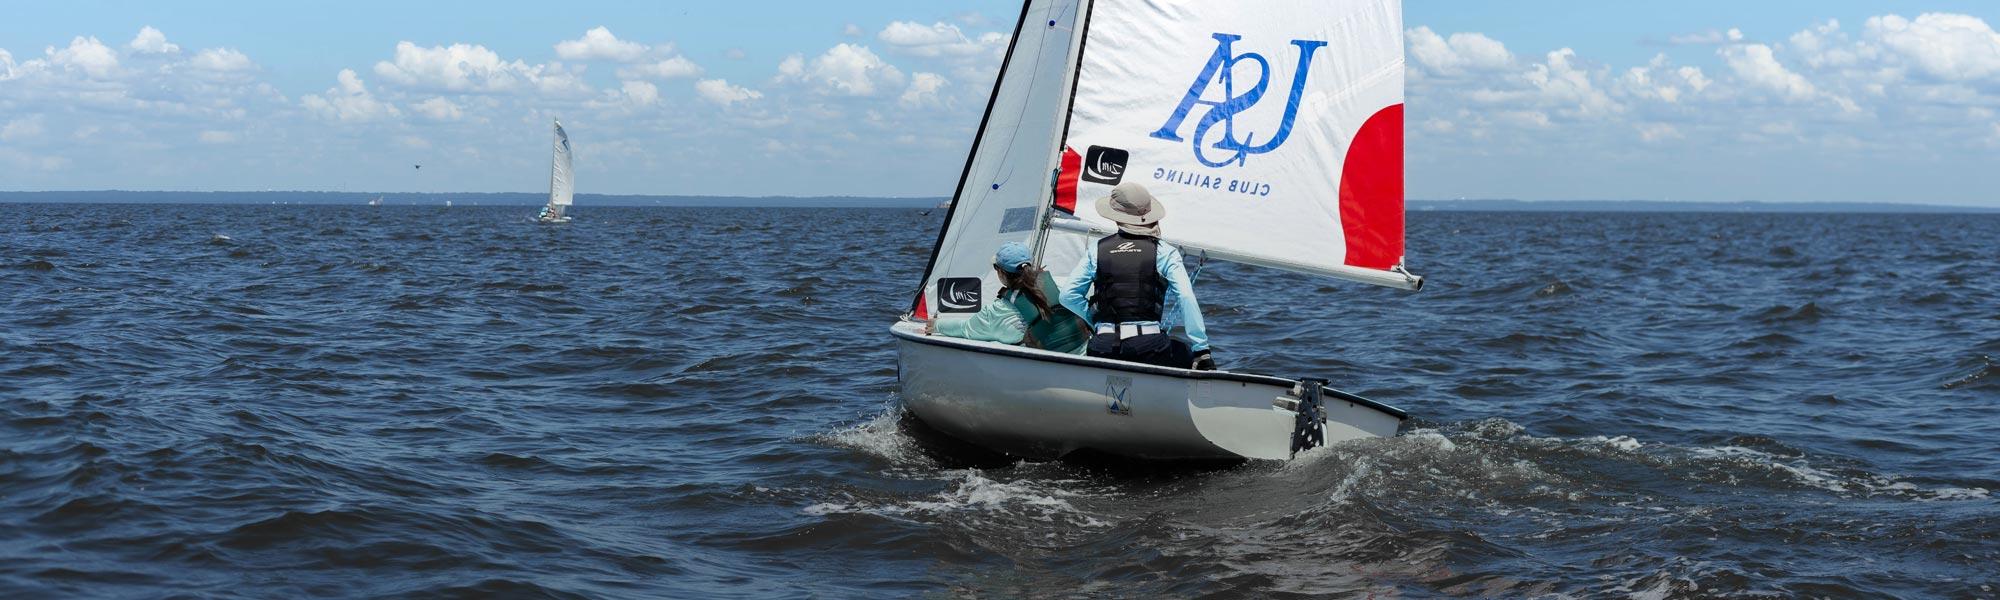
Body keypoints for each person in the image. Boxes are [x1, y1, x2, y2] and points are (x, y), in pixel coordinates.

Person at [1061, 182, 1214, 370]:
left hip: (1103, 346)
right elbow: (1185, 298)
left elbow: (1068, 296)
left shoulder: (1097, 249)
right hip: (1149, 348)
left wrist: (1096, 320)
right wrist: (1202, 349)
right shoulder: (1165, 252)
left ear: (1116, 218)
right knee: (1187, 353)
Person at [926, 241, 1093, 354]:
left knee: (996, 341)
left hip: (1052, 372)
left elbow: (968, 329)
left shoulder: (999, 311)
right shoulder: (1060, 285)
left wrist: (937, 325)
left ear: (1000, 272)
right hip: (1085, 357)